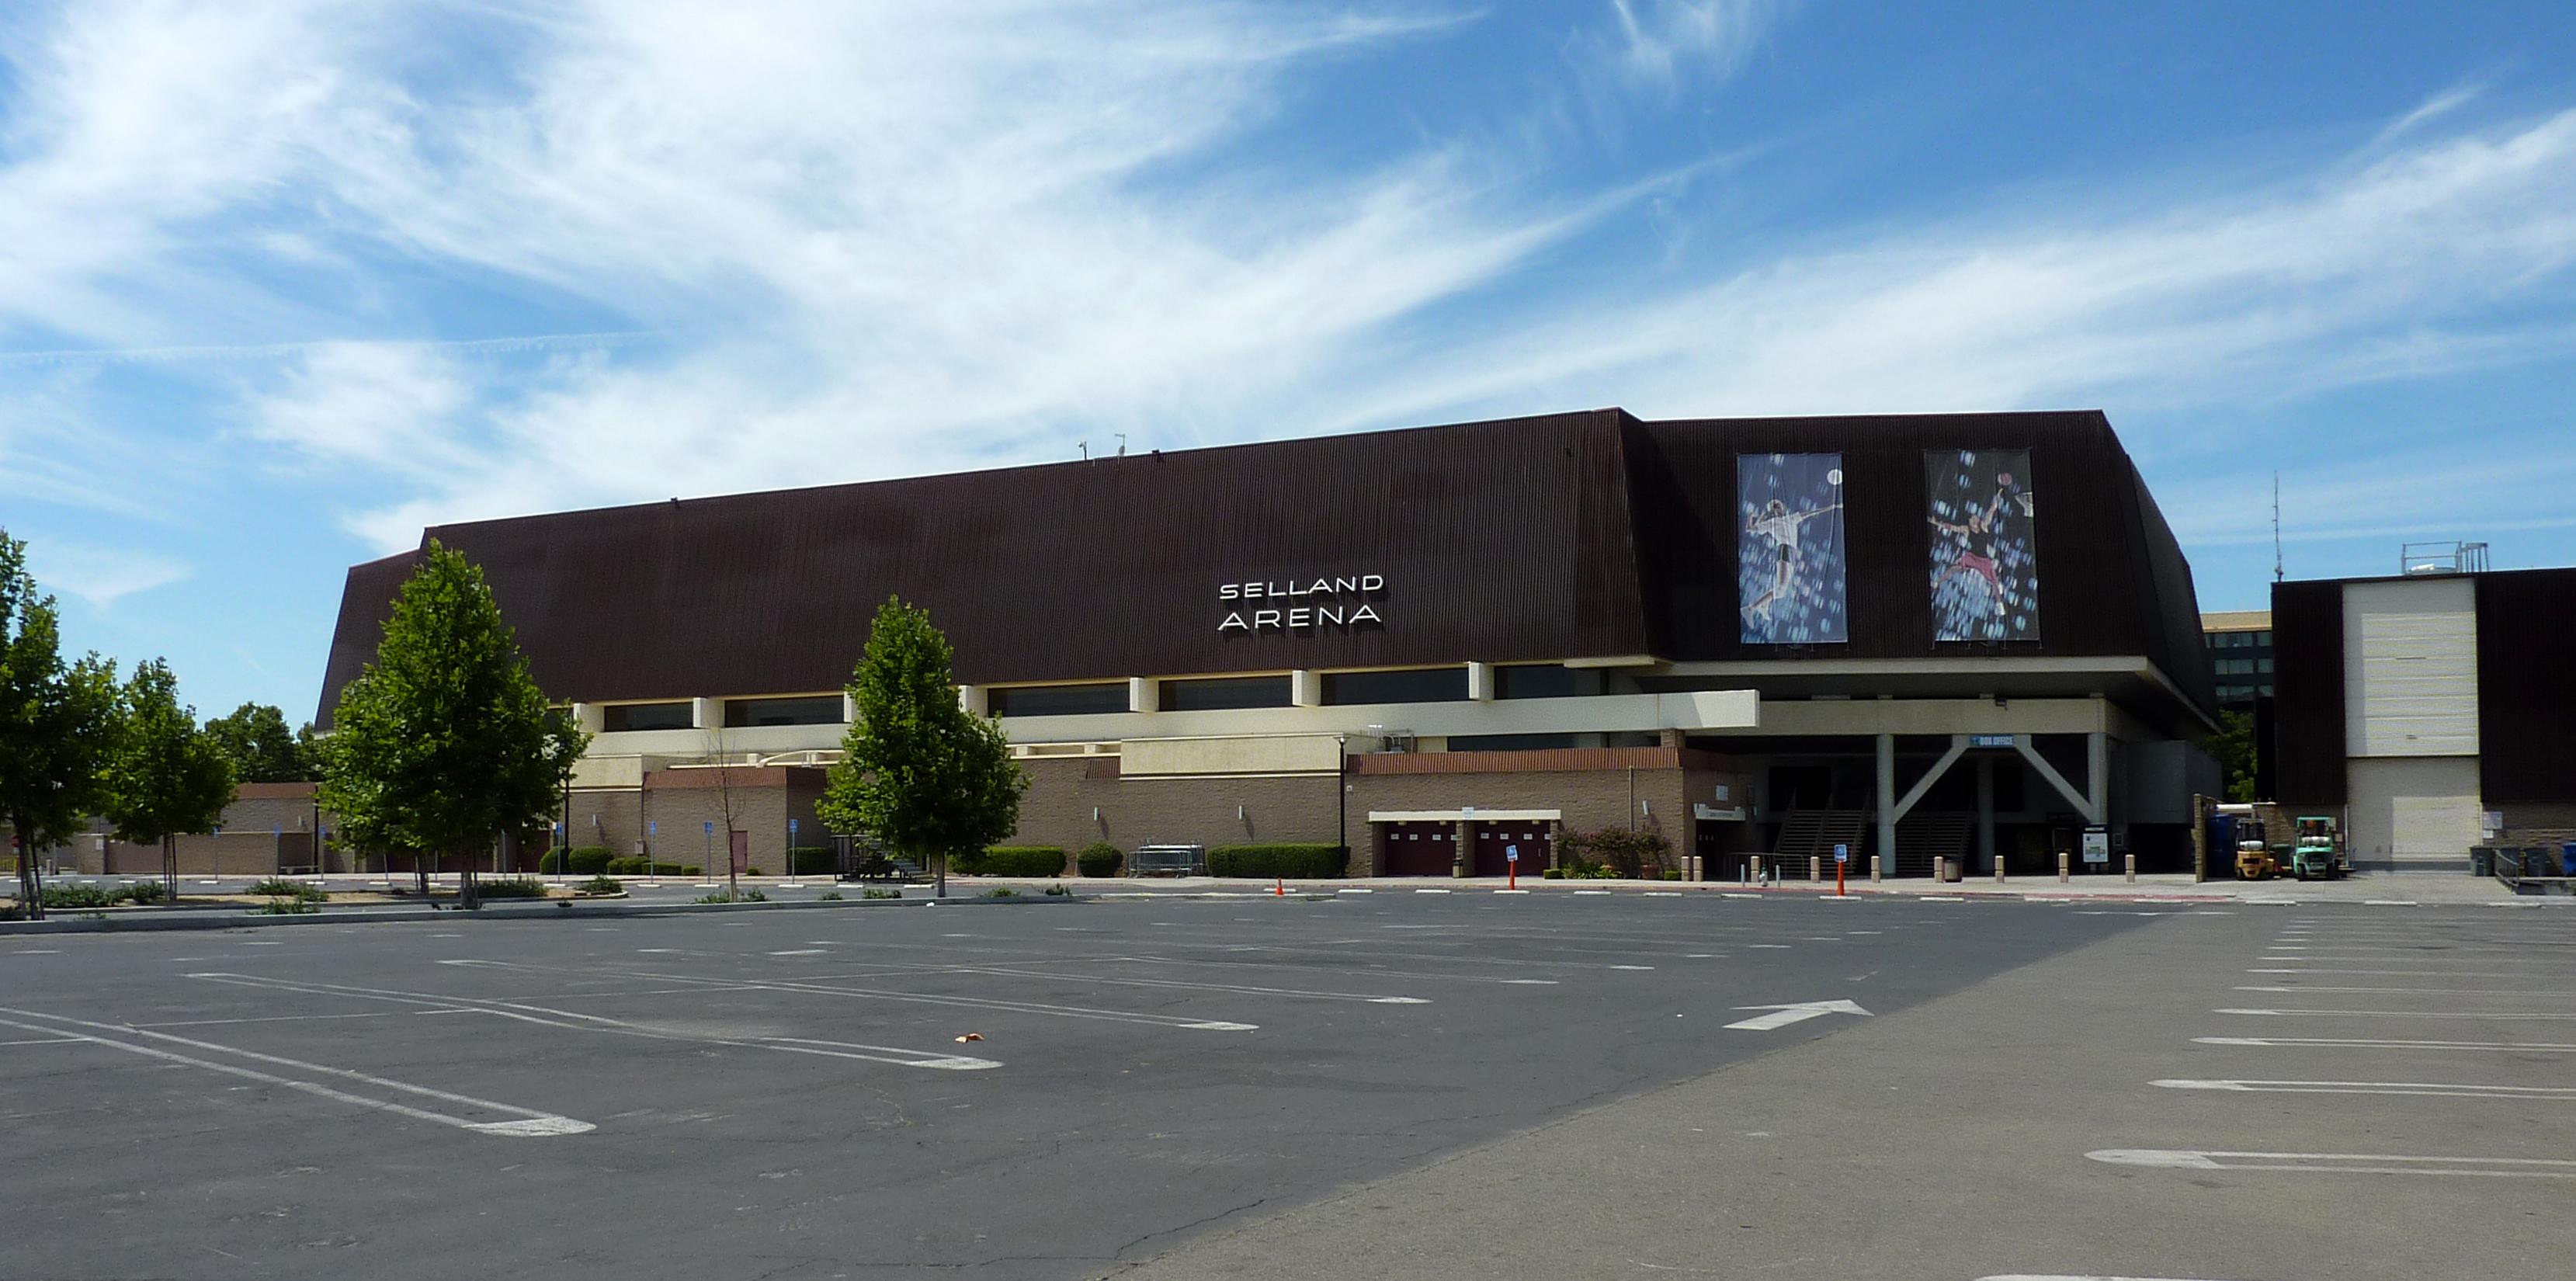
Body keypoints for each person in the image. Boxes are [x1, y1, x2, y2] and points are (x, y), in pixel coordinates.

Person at [1743, 496, 1841, 627]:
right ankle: (1750, 609)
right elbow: (1750, 528)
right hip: (1785, 549)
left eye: (1778, 505)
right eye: (1773, 507)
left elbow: (1812, 512)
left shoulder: (1791, 518)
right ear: (1772, 511)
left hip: (1792, 553)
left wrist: (1831, 507)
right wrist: (1751, 516)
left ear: (1783, 507)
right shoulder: (1771, 522)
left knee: (1781, 591)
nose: (1776, 508)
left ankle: (1762, 606)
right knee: (1781, 588)